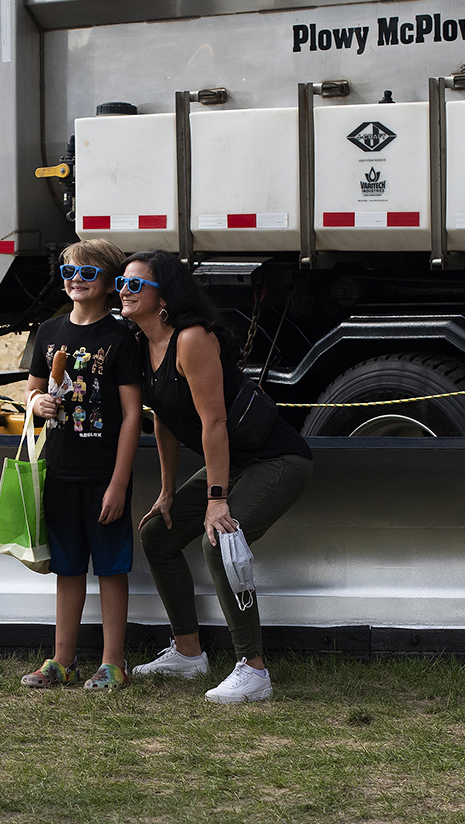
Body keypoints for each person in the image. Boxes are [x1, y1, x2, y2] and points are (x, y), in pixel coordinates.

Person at [119, 250, 313, 703]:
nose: (123, 291)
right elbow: (163, 418)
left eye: (135, 285)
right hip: (238, 460)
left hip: (276, 458)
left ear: (162, 296)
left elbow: (215, 423)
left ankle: (254, 670)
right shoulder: (141, 344)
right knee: (156, 534)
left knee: (219, 539)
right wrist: (168, 491)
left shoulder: (191, 338)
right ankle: (188, 655)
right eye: (121, 283)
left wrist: (216, 499)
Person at [19, 239, 142, 691]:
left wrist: (118, 484)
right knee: (67, 569)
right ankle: (62, 661)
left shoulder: (120, 338)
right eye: (69, 272)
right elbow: (29, 394)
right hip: (58, 471)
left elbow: (132, 416)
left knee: (111, 569)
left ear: (109, 283)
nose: (75, 280)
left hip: (103, 475)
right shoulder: (49, 331)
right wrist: (37, 404)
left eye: (87, 274)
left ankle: (113, 663)